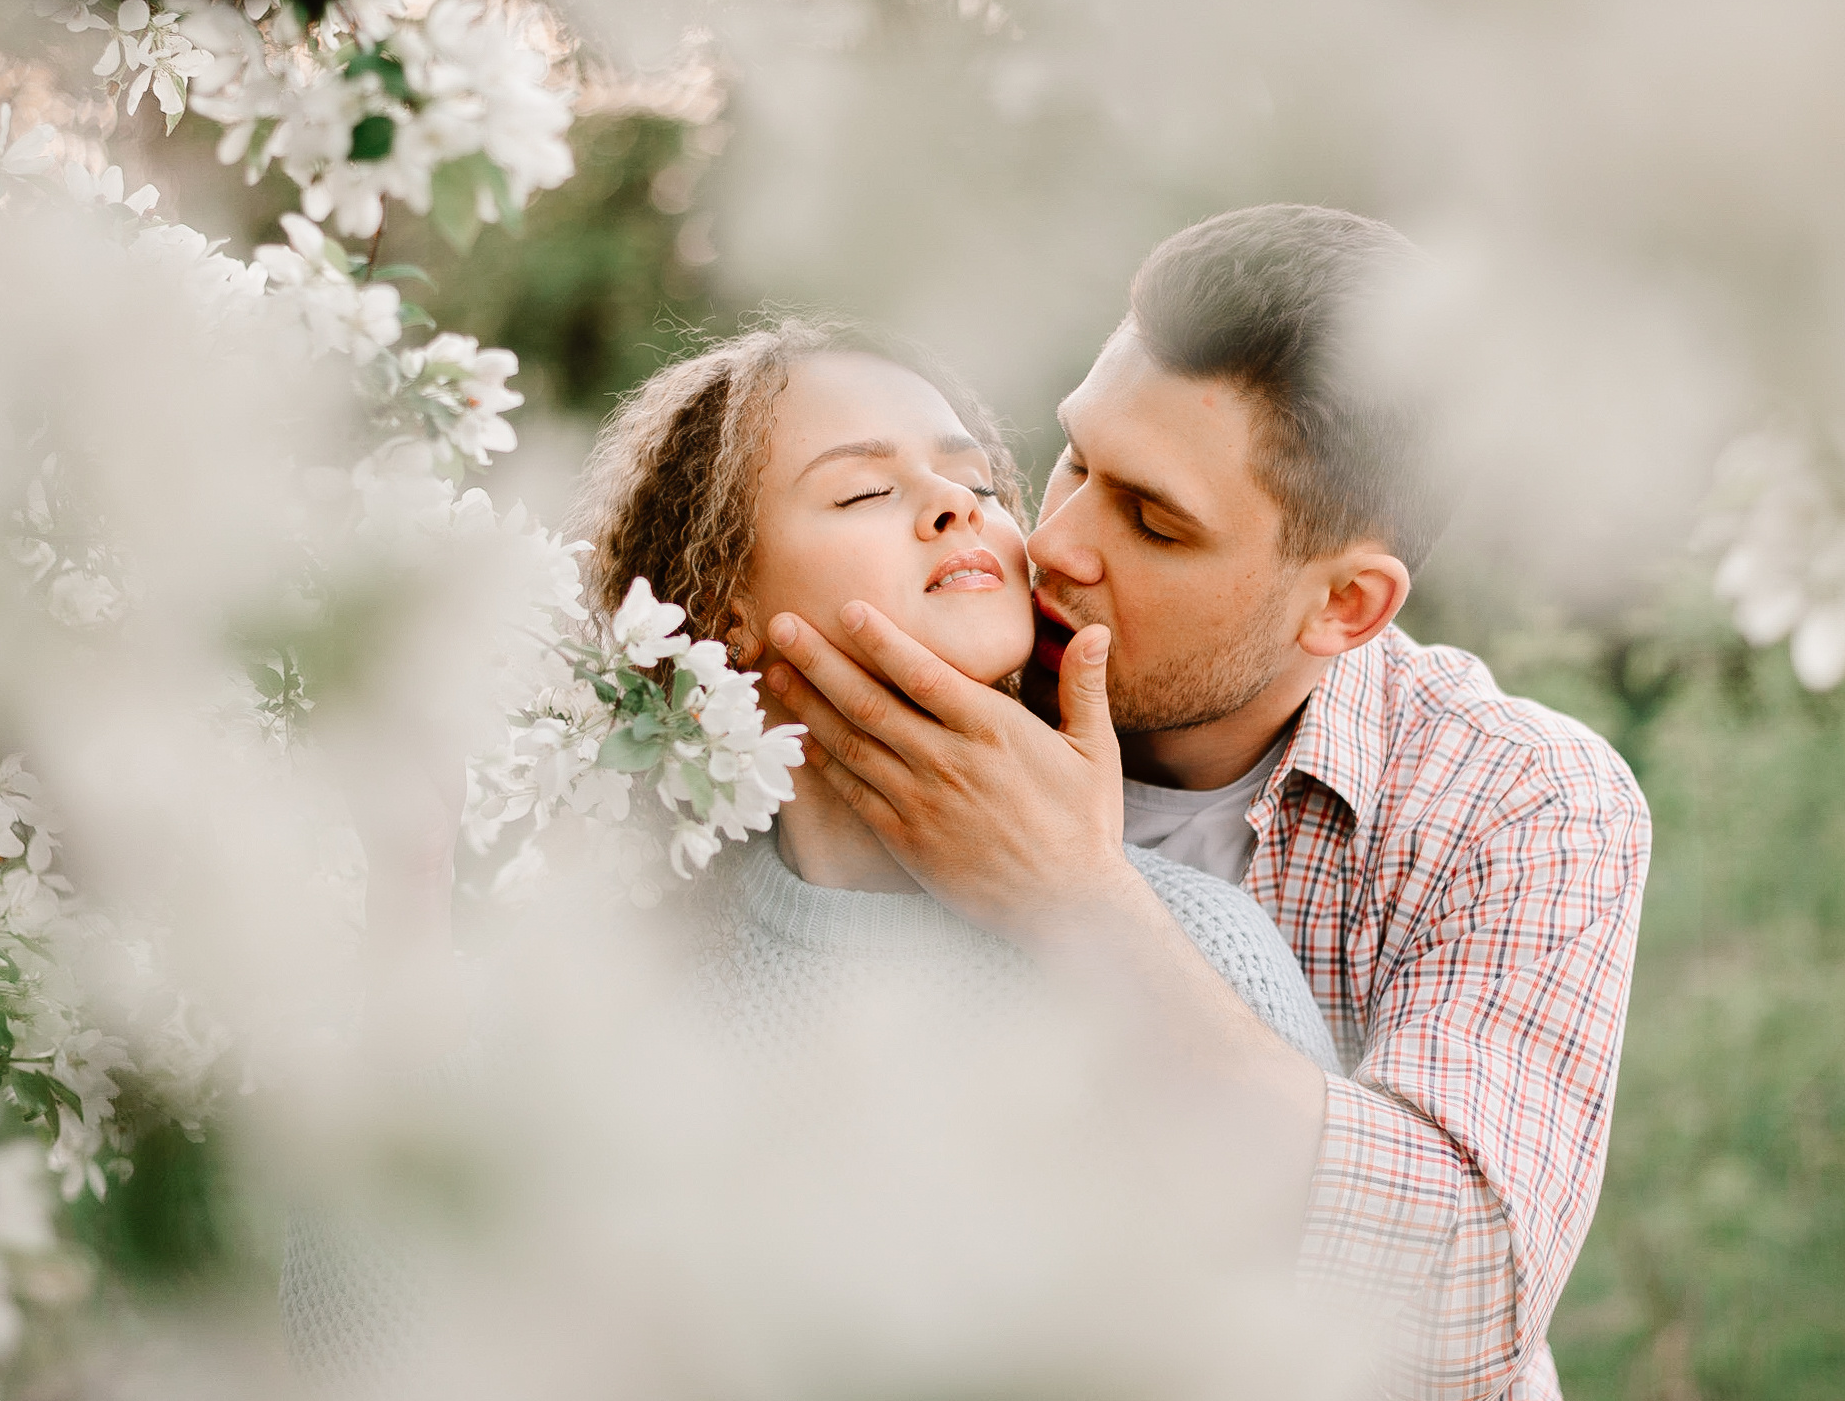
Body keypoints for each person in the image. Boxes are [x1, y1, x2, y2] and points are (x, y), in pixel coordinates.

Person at [757, 205, 1650, 1401]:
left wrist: (1077, 906)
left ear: (1344, 606)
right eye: (1075, 458)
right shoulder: (943, 671)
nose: (1057, 541)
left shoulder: (1518, 799)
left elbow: (1459, 1311)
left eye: (1154, 521)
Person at [570, 320, 1339, 1071]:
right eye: (865, 491)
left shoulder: (1205, 952)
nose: (960, 502)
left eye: (980, 483)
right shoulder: (632, 975)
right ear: (717, 607)